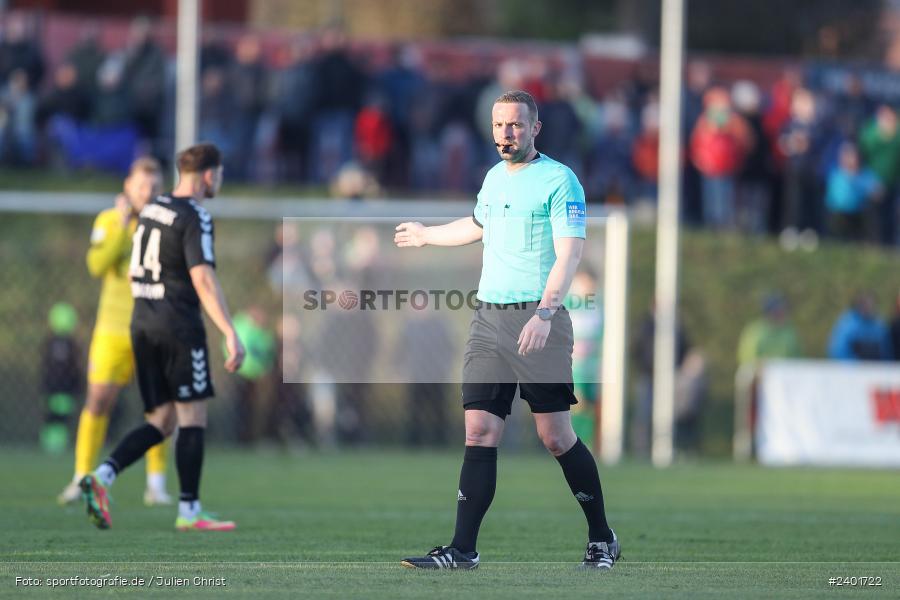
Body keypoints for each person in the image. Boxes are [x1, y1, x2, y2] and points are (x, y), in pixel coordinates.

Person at [395, 90, 619, 570]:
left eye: (516, 125)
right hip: (488, 319)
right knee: (478, 431)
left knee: (556, 436)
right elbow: (477, 225)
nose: (506, 134)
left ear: (534, 128)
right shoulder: (494, 179)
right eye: (499, 126)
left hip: (540, 319)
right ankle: (462, 550)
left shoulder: (560, 180)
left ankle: (602, 537)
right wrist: (428, 235)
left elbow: (570, 253)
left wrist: (544, 313)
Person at [79, 143, 245, 531]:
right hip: (178, 326)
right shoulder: (195, 216)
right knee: (193, 416)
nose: (219, 181)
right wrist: (229, 331)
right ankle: (190, 511)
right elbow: (202, 277)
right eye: (218, 174)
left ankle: (101, 476)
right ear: (208, 175)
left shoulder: (151, 209)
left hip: (142, 324)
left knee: (163, 420)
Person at [57, 158, 170, 506]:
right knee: (98, 400)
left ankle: (156, 485)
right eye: (141, 186)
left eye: (153, 187)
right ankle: (80, 477)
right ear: (127, 187)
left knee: (159, 409)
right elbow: (97, 264)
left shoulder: (166, 225)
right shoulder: (109, 220)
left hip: (152, 329)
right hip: (112, 329)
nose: (146, 193)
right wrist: (123, 227)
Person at [828, 292, 892, 361]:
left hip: (876, 369)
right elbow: (838, 350)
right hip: (854, 369)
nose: (868, 307)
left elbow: (886, 350)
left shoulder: (878, 325)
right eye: (865, 304)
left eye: (871, 304)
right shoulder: (847, 324)